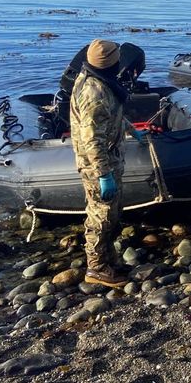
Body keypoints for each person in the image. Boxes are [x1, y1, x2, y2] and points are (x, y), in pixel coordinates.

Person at [71, 39, 144, 288]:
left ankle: (109, 259)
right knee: (100, 216)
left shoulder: (99, 81)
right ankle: (96, 267)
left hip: (110, 159)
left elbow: (111, 118)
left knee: (112, 213)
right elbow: (92, 138)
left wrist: (131, 130)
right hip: (97, 165)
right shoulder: (94, 93)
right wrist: (103, 174)